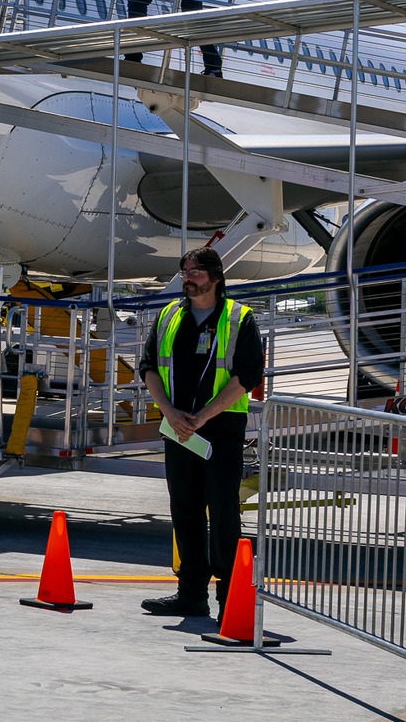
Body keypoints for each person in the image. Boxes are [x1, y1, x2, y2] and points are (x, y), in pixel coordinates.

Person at [139, 246, 264, 618]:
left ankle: (230, 598)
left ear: (215, 276)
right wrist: (169, 412)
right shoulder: (168, 315)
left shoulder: (239, 318)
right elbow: (148, 367)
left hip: (221, 430)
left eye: (194, 271)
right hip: (177, 429)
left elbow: (247, 376)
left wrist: (204, 416)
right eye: (184, 271)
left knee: (224, 514)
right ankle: (191, 593)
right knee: (185, 511)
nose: (187, 278)